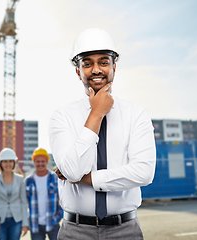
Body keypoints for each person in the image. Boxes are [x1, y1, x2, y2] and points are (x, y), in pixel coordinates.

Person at [48, 28, 156, 240]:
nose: (96, 69)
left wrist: (88, 178)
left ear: (114, 67)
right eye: (87, 63)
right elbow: (71, 171)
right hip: (75, 231)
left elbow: (143, 172)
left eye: (104, 62)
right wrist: (96, 114)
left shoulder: (136, 115)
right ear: (78, 71)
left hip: (125, 230)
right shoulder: (62, 117)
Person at [0, 148, 29, 240]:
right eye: (5, 161)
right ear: (0, 163)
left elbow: (23, 202)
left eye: (10, 161)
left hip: (16, 220)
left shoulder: (20, 179)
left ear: (14, 163)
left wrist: (25, 223)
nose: (8, 164)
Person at [25, 148, 63, 240]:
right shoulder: (28, 181)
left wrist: (57, 218)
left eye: (43, 161)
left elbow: (63, 200)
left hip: (53, 223)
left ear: (47, 161)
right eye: (37, 161)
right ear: (33, 162)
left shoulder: (55, 179)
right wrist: (27, 221)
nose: (40, 164)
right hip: (36, 225)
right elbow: (23, 203)